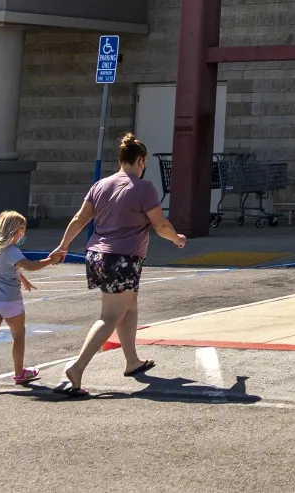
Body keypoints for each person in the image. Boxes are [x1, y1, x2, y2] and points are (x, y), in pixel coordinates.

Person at [47, 132, 185, 397]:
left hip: (97, 256)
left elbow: (79, 218)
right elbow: (160, 225)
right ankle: (76, 368)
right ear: (141, 161)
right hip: (123, 258)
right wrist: (177, 239)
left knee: (129, 306)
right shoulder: (143, 188)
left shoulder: (100, 185)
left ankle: (132, 361)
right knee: (110, 316)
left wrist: (63, 246)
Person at [0, 210, 61, 396]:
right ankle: (19, 373)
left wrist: (23, 280)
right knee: (18, 335)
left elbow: (9, 268)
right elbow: (31, 265)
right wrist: (50, 260)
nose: (22, 234)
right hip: (10, 302)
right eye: (21, 230)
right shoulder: (12, 251)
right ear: (14, 230)